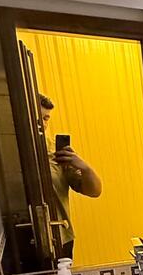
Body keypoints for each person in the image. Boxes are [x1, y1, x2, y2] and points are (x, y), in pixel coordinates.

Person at [39, 93, 102, 260]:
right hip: (23, 238)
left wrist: (85, 168)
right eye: (38, 118)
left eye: (46, 118)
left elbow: (94, 191)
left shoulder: (57, 152)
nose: (42, 124)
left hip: (60, 237)